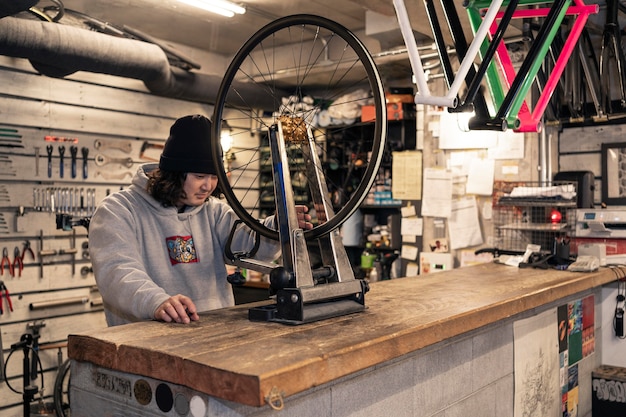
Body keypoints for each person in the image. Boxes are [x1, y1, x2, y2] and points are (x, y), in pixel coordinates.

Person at [89, 114, 312, 326]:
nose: (208, 186)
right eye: (199, 176)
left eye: (214, 176)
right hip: (145, 343)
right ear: (174, 173)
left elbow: (253, 248)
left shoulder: (213, 211)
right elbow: (117, 272)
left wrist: (279, 227)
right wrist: (155, 301)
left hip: (209, 339)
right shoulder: (118, 210)